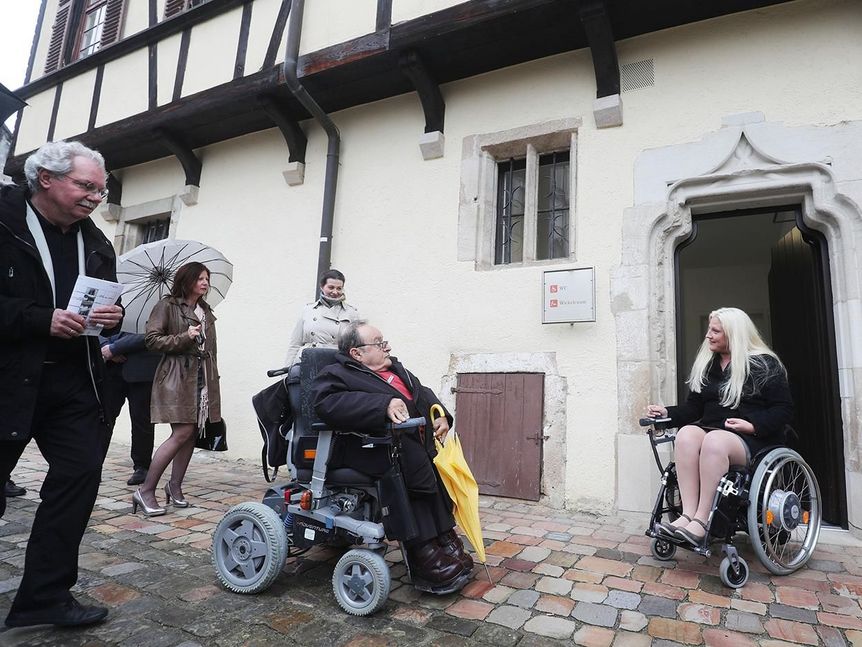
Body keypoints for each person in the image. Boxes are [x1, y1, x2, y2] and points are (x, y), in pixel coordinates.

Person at [0, 140, 123, 628]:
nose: (96, 197)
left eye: (102, 189)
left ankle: (45, 598)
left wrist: (110, 318)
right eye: (86, 186)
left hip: (72, 382)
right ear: (45, 179)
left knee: (78, 478)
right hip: (7, 380)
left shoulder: (96, 242)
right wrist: (38, 319)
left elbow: (106, 311)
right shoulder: (4, 224)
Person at [313, 321, 472, 589]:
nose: (387, 346)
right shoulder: (336, 374)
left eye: (384, 341)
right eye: (379, 343)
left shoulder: (396, 369)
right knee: (410, 463)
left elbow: (423, 395)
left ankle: (444, 538)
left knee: (428, 464)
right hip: (364, 447)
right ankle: (422, 551)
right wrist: (382, 403)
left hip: (405, 444)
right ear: (357, 353)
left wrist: (441, 414)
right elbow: (327, 404)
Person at [647, 307, 793, 545]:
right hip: (713, 433)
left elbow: (783, 410)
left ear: (733, 334)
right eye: (709, 329)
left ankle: (703, 521)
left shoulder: (765, 365)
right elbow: (693, 409)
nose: (708, 335)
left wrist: (752, 425)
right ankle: (688, 516)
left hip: (751, 440)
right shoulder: (708, 364)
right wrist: (667, 413)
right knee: (686, 435)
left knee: (714, 441)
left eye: (715, 331)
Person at [133, 262, 221, 516]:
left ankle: (174, 487)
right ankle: (146, 490)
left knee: (191, 434)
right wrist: (185, 336)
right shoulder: (168, 305)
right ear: (187, 279)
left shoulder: (206, 310)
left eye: (207, 279)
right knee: (181, 433)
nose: (205, 283)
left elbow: (210, 350)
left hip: (202, 378)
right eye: (200, 278)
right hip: (177, 377)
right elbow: (152, 340)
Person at [100, 332, 161, 485]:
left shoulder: (156, 308)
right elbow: (91, 325)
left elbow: (152, 332)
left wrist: (115, 348)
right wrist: (103, 346)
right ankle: (92, 465)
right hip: (109, 368)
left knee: (142, 422)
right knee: (102, 420)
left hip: (142, 367)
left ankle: (142, 467)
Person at [283, 269, 359, 367]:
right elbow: (295, 343)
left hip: (335, 363)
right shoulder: (308, 310)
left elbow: (356, 346)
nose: (335, 292)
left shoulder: (351, 313)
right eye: (331, 287)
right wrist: (287, 371)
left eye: (339, 288)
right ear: (322, 287)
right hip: (307, 361)